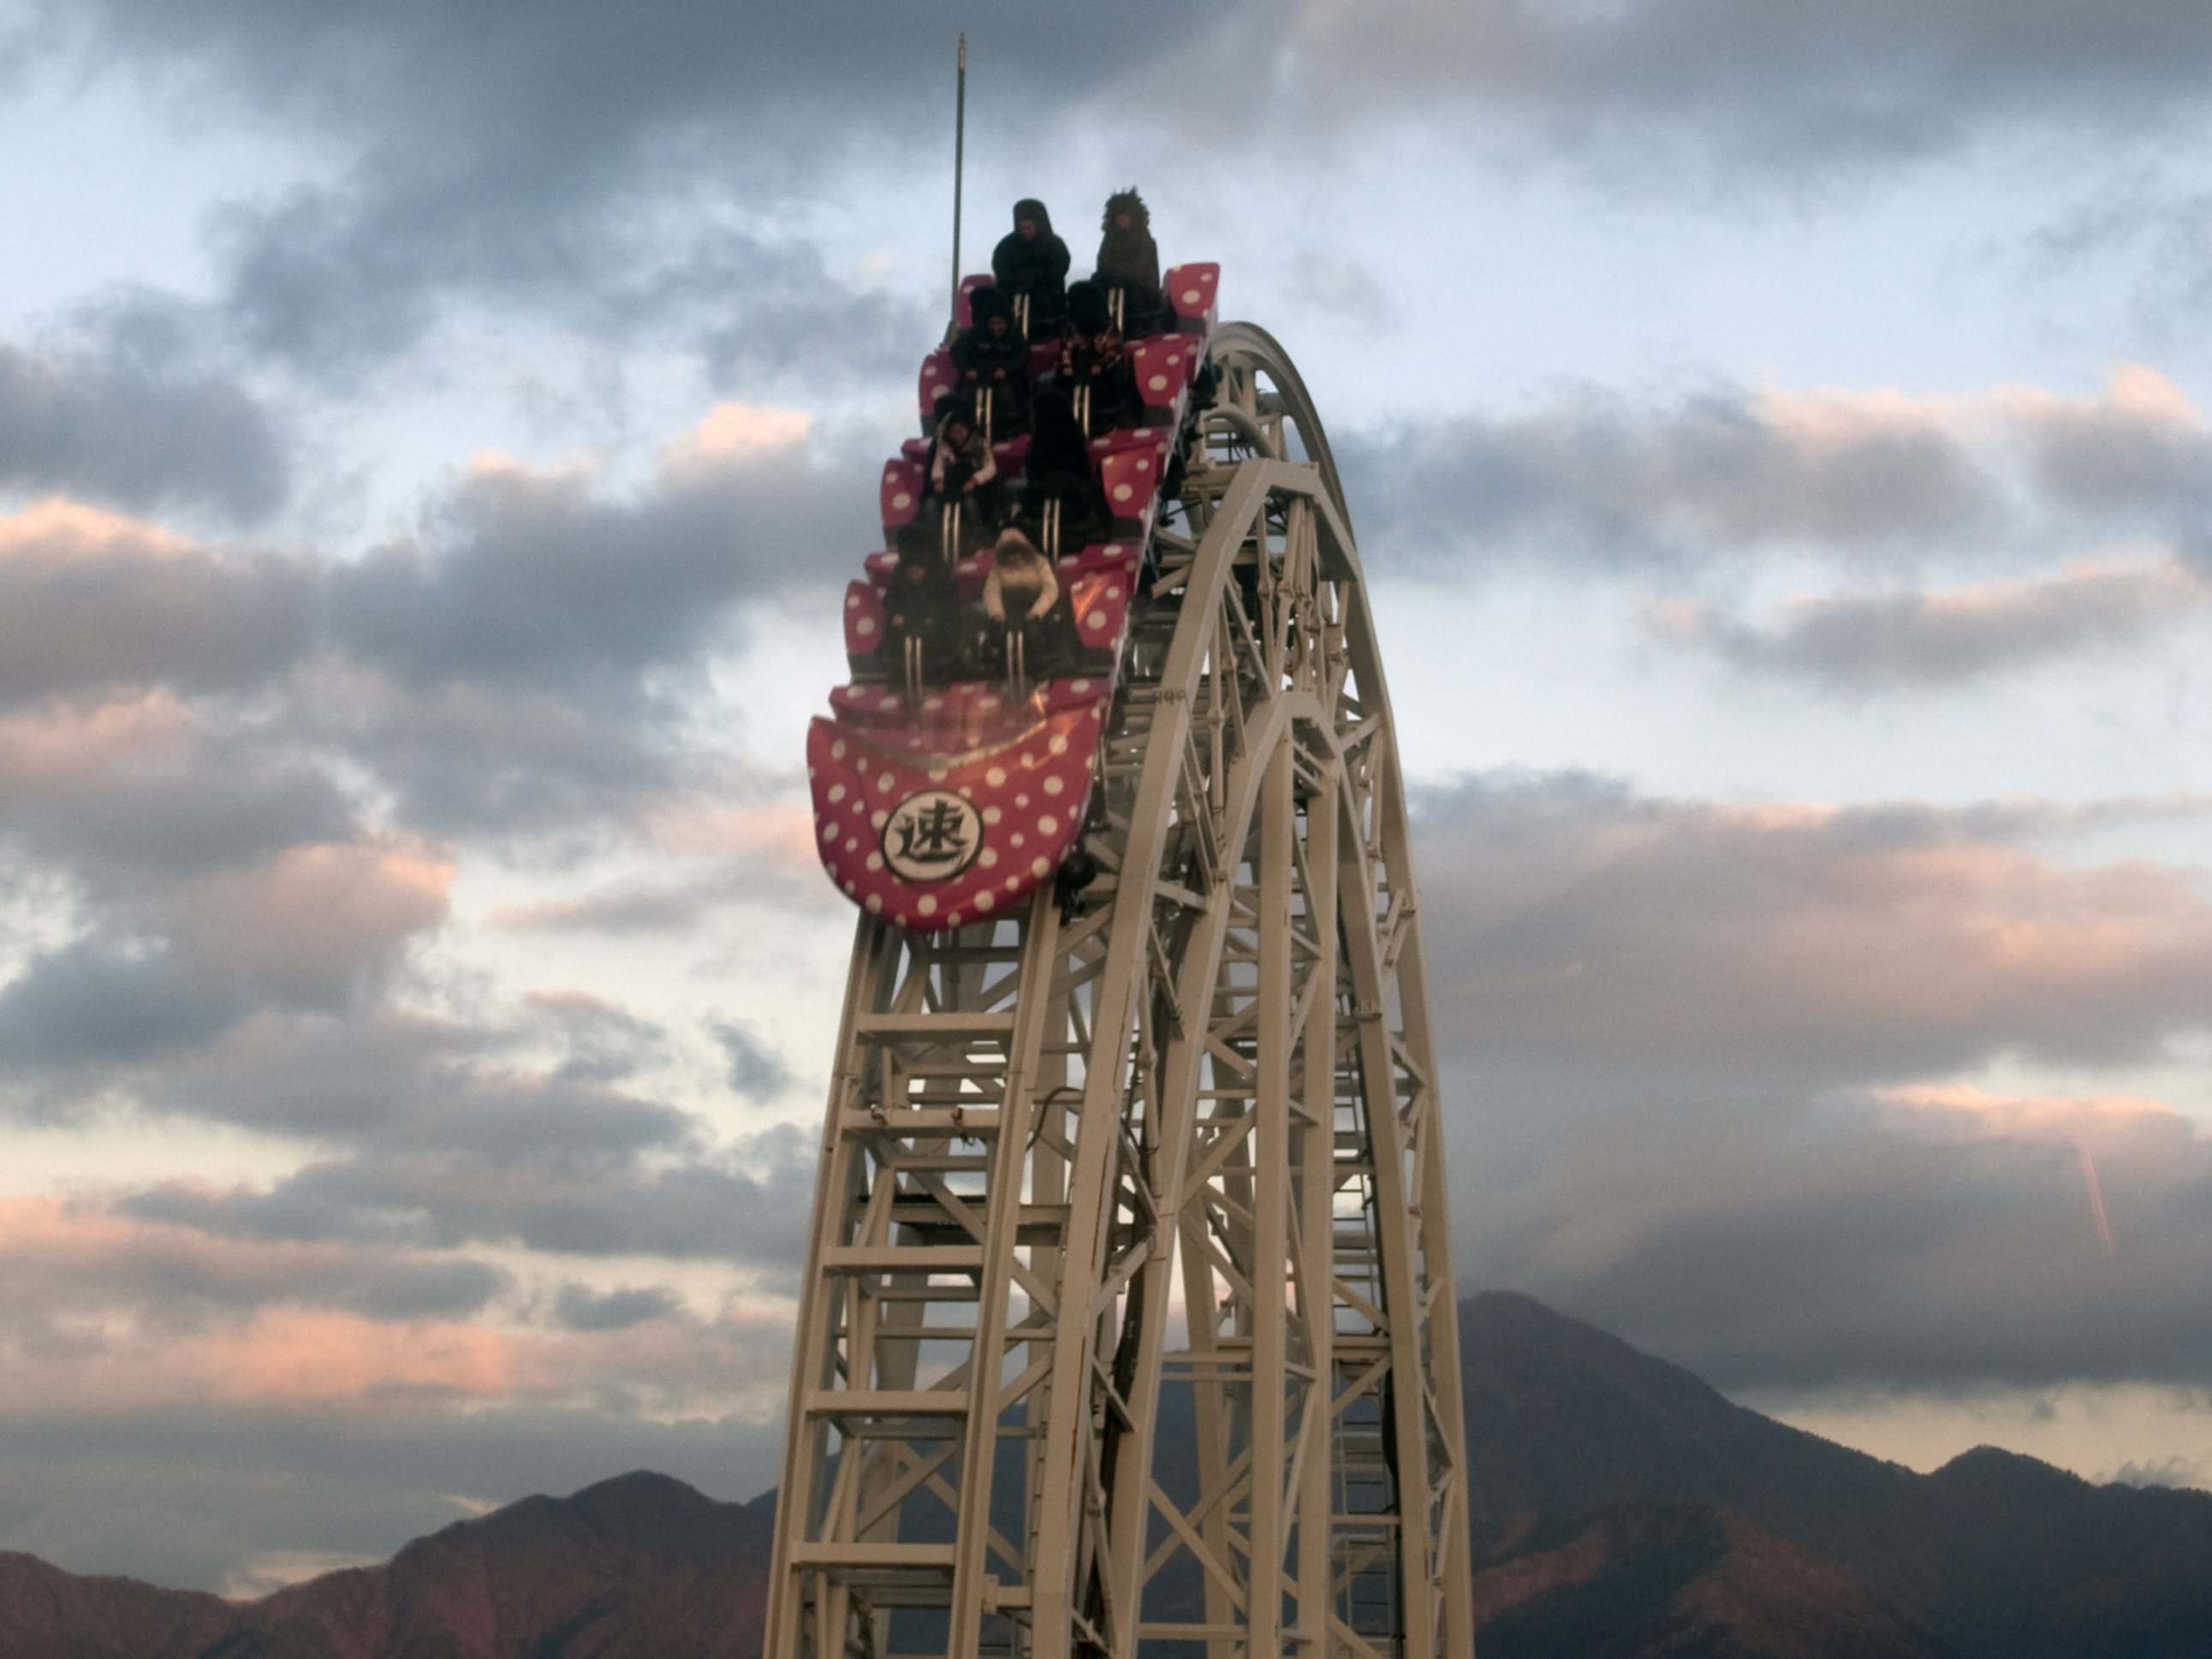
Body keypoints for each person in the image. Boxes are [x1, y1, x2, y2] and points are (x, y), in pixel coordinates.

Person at [882, 520, 970, 696]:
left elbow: (946, 605)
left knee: (932, 633)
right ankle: (900, 669)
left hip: (935, 625)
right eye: (910, 570)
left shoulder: (940, 576)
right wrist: (897, 614)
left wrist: (931, 618)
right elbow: (890, 600)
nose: (913, 573)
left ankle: (938, 670)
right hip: (908, 622)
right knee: (899, 633)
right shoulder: (900, 575)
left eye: (917, 570)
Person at [1017, 387, 1108, 554]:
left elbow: (1033, 470)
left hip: (1054, 488)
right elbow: (1083, 466)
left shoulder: (1039, 439)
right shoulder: (1072, 433)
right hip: (1067, 489)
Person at [983, 527, 1080, 683]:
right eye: (1010, 554)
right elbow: (991, 592)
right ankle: (1003, 672)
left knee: (1035, 633)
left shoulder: (1040, 563)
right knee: (999, 634)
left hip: (1037, 610)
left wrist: (1037, 611)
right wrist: (997, 612)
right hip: (1010, 612)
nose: (1015, 557)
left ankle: (1041, 672)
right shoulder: (998, 569)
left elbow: (1050, 589)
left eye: (1017, 552)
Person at [948, 285, 1031, 437]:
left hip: (1005, 376)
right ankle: (967, 429)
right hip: (977, 374)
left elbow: (1022, 356)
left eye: (1000, 324)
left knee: (1005, 394)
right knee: (967, 394)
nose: (996, 328)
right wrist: (966, 370)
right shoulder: (975, 333)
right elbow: (957, 351)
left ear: (1006, 323)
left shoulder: (1015, 335)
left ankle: (1007, 429)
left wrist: (1007, 370)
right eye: (993, 323)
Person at [1057, 280, 1133, 432]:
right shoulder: (1071, 328)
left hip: (1102, 371)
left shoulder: (1108, 328)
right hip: (1076, 368)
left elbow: (1114, 353)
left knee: (1107, 386)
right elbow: (1065, 350)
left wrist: (1102, 366)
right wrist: (1066, 366)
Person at [926, 398, 1002, 547]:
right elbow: (938, 466)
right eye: (953, 431)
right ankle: (937, 536)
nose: (957, 435)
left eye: (961, 430)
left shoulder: (979, 443)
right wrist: (938, 480)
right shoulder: (944, 445)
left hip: (973, 484)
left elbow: (991, 468)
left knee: (970, 505)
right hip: (951, 483)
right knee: (930, 505)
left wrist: (975, 481)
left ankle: (978, 534)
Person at [991, 199, 1071, 334]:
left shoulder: (1054, 244)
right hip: (1014, 294)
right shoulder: (1006, 246)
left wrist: (1037, 277)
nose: (1026, 232)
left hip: (1047, 300)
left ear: (1039, 225)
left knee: (1043, 298)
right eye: (1022, 229)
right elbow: (1000, 268)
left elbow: (1061, 267)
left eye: (1029, 228)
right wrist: (1019, 281)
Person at [1093, 187, 1160, 332]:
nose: (1122, 220)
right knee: (1094, 288)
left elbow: (1141, 269)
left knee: (1124, 286)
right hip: (1111, 284)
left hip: (1141, 289)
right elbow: (1102, 263)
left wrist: (1116, 272)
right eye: (1119, 216)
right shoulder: (1109, 239)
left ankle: (1126, 327)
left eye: (1125, 216)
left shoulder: (1144, 237)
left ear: (1133, 216)